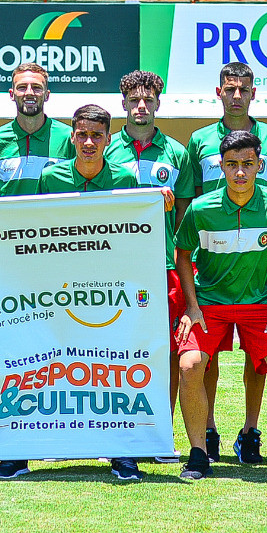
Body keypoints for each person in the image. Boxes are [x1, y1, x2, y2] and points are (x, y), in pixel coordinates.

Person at [36, 103, 175, 482]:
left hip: (109, 291)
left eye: (97, 136)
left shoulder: (126, 180)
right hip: (63, 290)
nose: (88, 142)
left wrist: (157, 200)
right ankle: (49, 443)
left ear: (108, 139)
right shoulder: (51, 177)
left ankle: (123, 450)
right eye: (82, 134)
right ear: (72, 136)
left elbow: (137, 228)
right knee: (59, 367)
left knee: (114, 369)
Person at [175, 130, 267, 481]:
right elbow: (182, 254)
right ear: (221, 167)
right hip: (210, 304)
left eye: (248, 164)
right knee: (189, 365)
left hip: (261, 305)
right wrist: (192, 305)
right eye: (232, 165)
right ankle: (199, 454)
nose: (240, 172)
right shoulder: (202, 208)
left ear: (260, 165)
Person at [185, 61, 267, 465]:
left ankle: (252, 431)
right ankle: (206, 433)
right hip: (213, 273)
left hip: (259, 277)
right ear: (218, 92)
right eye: (228, 88)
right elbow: (188, 208)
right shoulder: (198, 140)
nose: (235, 95)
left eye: (243, 88)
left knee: (261, 359)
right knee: (199, 360)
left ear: (253, 92)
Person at [106, 70, 193, 434]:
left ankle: (162, 428)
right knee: (114, 351)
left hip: (163, 265)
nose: (141, 106)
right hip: (112, 266)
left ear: (159, 102)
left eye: (149, 100)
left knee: (168, 351)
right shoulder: (103, 146)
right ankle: (117, 429)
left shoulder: (177, 152)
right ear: (123, 103)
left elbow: (185, 217)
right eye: (134, 100)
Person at [0, 62, 74, 197]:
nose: (29, 93)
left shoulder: (68, 138)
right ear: (12, 94)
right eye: (22, 87)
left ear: (47, 95)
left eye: (36, 87)